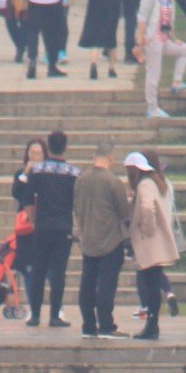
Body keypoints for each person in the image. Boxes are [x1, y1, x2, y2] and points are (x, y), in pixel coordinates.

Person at [15, 129, 78, 327]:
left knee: (39, 271)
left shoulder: (38, 170)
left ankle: (35, 315)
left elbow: (27, 199)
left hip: (42, 227)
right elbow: (77, 202)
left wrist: (34, 220)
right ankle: (55, 315)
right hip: (63, 227)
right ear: (65, 148)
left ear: (48, 147)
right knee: (59, 273)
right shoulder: (73, 173)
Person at [73, 145, 132, 338]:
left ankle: (88, 325)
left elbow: (76, 206)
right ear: (112, 158)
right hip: (110, 240)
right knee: (106, 284)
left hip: (88, 239)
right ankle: (106, 324)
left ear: (93, 156)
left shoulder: (81, 180)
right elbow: (123, 212)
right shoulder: (113, 181)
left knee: (87, 283)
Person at [124, 151, 176, 340]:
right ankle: (153, 324)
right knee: (154, 282)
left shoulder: (145, 184)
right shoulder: (160, 183)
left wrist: (147, 229)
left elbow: (147, 208)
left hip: (149, 242)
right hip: (160, 241)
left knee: (150, 285)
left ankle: (152, 326)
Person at [133, 0, 186, 120]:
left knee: (184, 50)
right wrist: (140, 41)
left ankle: (177, 82)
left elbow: (170, 17)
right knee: (153, 74)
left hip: (164, 38)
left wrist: (173, 37)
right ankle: (152, 108)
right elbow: (142, 19)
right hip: (152, 39)